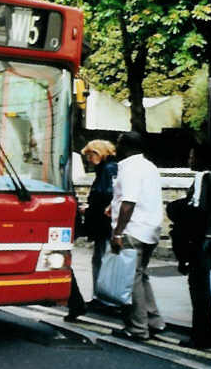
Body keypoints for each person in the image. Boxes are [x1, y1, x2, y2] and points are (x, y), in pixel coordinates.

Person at [109, 131, 165, 341]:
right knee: (141, 275)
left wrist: (118, 232)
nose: (116, 147)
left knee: (130, 279)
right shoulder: (149, 166)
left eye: (118, 143)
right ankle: (154, 321)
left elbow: (129, 202)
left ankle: (138, 328)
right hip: (150, 229)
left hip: (133, 230)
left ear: (126, 146)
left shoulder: (130, 168)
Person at [180, 143, 211, 349]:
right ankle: (205, 335)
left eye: (192, 156)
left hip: (203, 236)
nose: (189, 160)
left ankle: (202, 337)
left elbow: (197, 208)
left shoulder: (203, 176)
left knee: (199, 289)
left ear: (202, 159)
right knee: (203, 287)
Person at [65, 139, 118, 321]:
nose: (88, 159)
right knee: (98, 258)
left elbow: (107, 195)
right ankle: (99, 296)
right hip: (102, 221)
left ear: (99, 152)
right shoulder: (105, 169)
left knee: (101, 258)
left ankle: (102, 297)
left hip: (104, 222)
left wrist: (90, 208)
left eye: (90, 154)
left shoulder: (108, 169)